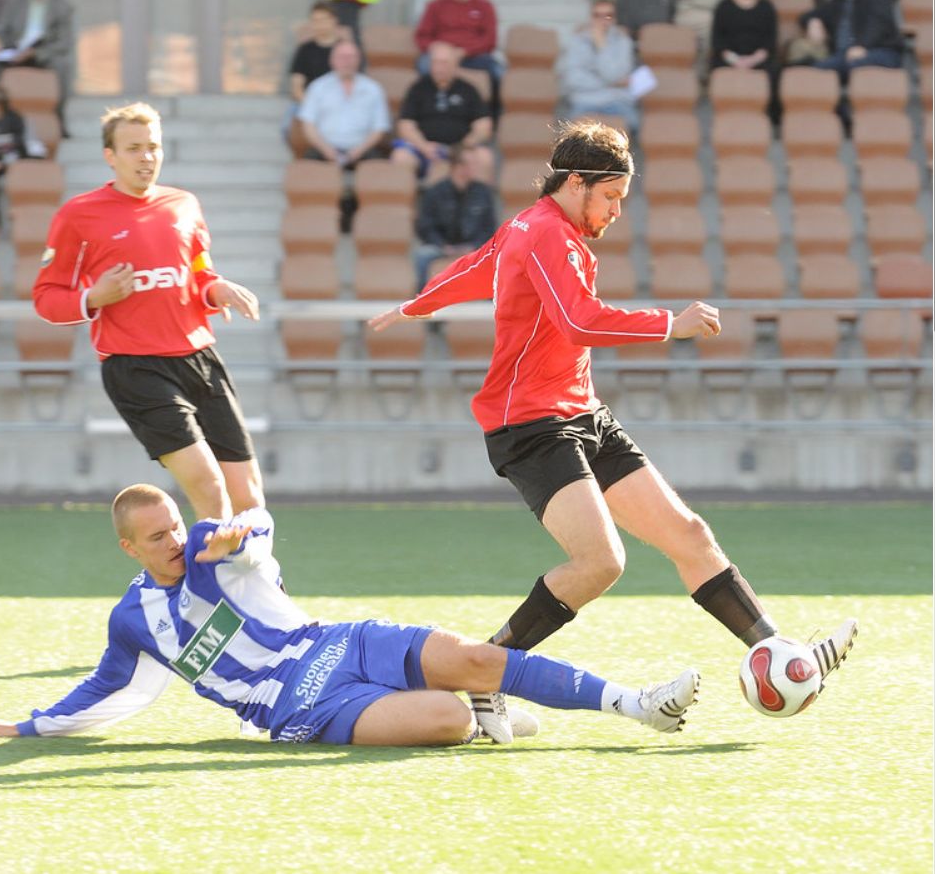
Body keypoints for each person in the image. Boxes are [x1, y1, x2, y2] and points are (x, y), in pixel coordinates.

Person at [368, 119, 858, 742]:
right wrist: (668, 325)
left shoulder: (536, 227)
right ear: (576, 183)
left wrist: (413, 305)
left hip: (581, 413)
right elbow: (577, 320)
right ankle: (484, 671)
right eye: (611, 197)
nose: (617, 211)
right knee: (600, 562)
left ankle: (781, 649)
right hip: (531, 425)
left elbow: (475, 268)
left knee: (689, 534)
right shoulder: (544, 232)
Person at [0, 484, 702, 746]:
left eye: (174, 526)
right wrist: (24, 723)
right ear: (128, 547)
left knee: (476, 657)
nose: (173, 542)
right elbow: (109, 689)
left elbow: (260, 527)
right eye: (155, 538)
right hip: (297, 704)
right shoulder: (133, 620)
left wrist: (238, 533)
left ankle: (637, 704)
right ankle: (489, 718)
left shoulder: (213, 547)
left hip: (338, 640)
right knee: (446, 719)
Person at [32, 103, 264, 523]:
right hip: (136, 367)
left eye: (153, 147)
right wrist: (94, 297)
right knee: (210, 489)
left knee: (248, 498)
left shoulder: (184, 205)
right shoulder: (79, 214)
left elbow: (198, 271)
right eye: (134, 148)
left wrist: (217, 288)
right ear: (110, 155)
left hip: (200, 360)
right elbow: (46, 298)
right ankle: (207, 589)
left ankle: (255, 586)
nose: (146, 157)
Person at [0, 0, 75, 131]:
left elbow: (64, 43)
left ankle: (57, 116)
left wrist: (34, 53)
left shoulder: (62, 6)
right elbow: (4, 29)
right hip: (14, 49)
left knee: (62, 65)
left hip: (42, 53)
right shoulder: (16, 0)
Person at [390, 41, 493, 185]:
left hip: (460, 150)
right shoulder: (418, 88)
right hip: (423, 150)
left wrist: (462, 146)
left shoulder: (468, 90)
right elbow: (405, 126)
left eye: (444, 63)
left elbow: (483, 126)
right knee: (401, 157)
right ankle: (402, 206)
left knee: (484, 157)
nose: (439, 67)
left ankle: (477, 205)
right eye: (435, 62)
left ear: (455, 65)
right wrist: (424, 147)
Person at [414, 0, 502, 117]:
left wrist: (464, 51)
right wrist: (437, 49)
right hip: (442, 55)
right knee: (424, 65)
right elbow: (422, 36)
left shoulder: (483, 5)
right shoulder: (436, 5)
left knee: (498, 72)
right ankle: (429, 113)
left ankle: (493, 118)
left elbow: (490, 39)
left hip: (473, 56)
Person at [797, 0, 903, 76]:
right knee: (816, 69)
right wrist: (813, 21)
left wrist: (862, 46)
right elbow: (807, 16)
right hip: (844, 56)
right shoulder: (838, 0)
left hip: (879, 51)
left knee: (855, 65)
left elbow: (878, 24)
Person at [413, 145, 497, 290]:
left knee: (497, 256)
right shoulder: (435, 192)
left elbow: (489, 227)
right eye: (472, 163)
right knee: (421, 255)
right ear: (459, 166)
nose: (475, 168)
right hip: (442, 246)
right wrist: (442, 245)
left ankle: (491, 300)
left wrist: (473, 246)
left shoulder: (483, 193)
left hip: (474, 246)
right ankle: (420, 299)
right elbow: (425, 226)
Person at [297, 39, 389, 168]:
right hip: (324, 150)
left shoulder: (373, 89)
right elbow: (308, 126)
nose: (347, 61)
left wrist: (357, 151)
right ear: (332, 60)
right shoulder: (318, 87)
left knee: (378, 170)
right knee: (307, 168)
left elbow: (379, 128)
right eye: (342, 57)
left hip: (362, 151)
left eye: (351, 57)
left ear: (359, 60)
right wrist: (327, 150)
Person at [558, 0, 641, 132]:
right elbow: (572, 79)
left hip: (617, 102)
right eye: (597, 15)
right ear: (590, 17)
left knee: (636, 127)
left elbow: (615, 74)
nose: (602, 20)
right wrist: (611, 83)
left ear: (615, 18)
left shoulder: (623, 42)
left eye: (608, 15)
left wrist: (601, 46)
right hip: (585, 101)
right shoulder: (577, 41)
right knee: (568, 134)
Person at [282, 0, 343, 147]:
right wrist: (314, 106)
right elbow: (297, 88)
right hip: (308, 102)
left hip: (340, 103)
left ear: (333, 20)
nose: (319, 25)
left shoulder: (344, 50)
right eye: (315, 21)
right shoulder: (304, 50)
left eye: (323, 20)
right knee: (286, 128)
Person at [710, 0, 779, 72]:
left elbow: (769, 43)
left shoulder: (767, 7)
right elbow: (718, 42)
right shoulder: (723, 6)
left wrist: (751, 61)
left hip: (759, 61)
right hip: (728, 60)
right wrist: (736, 61)